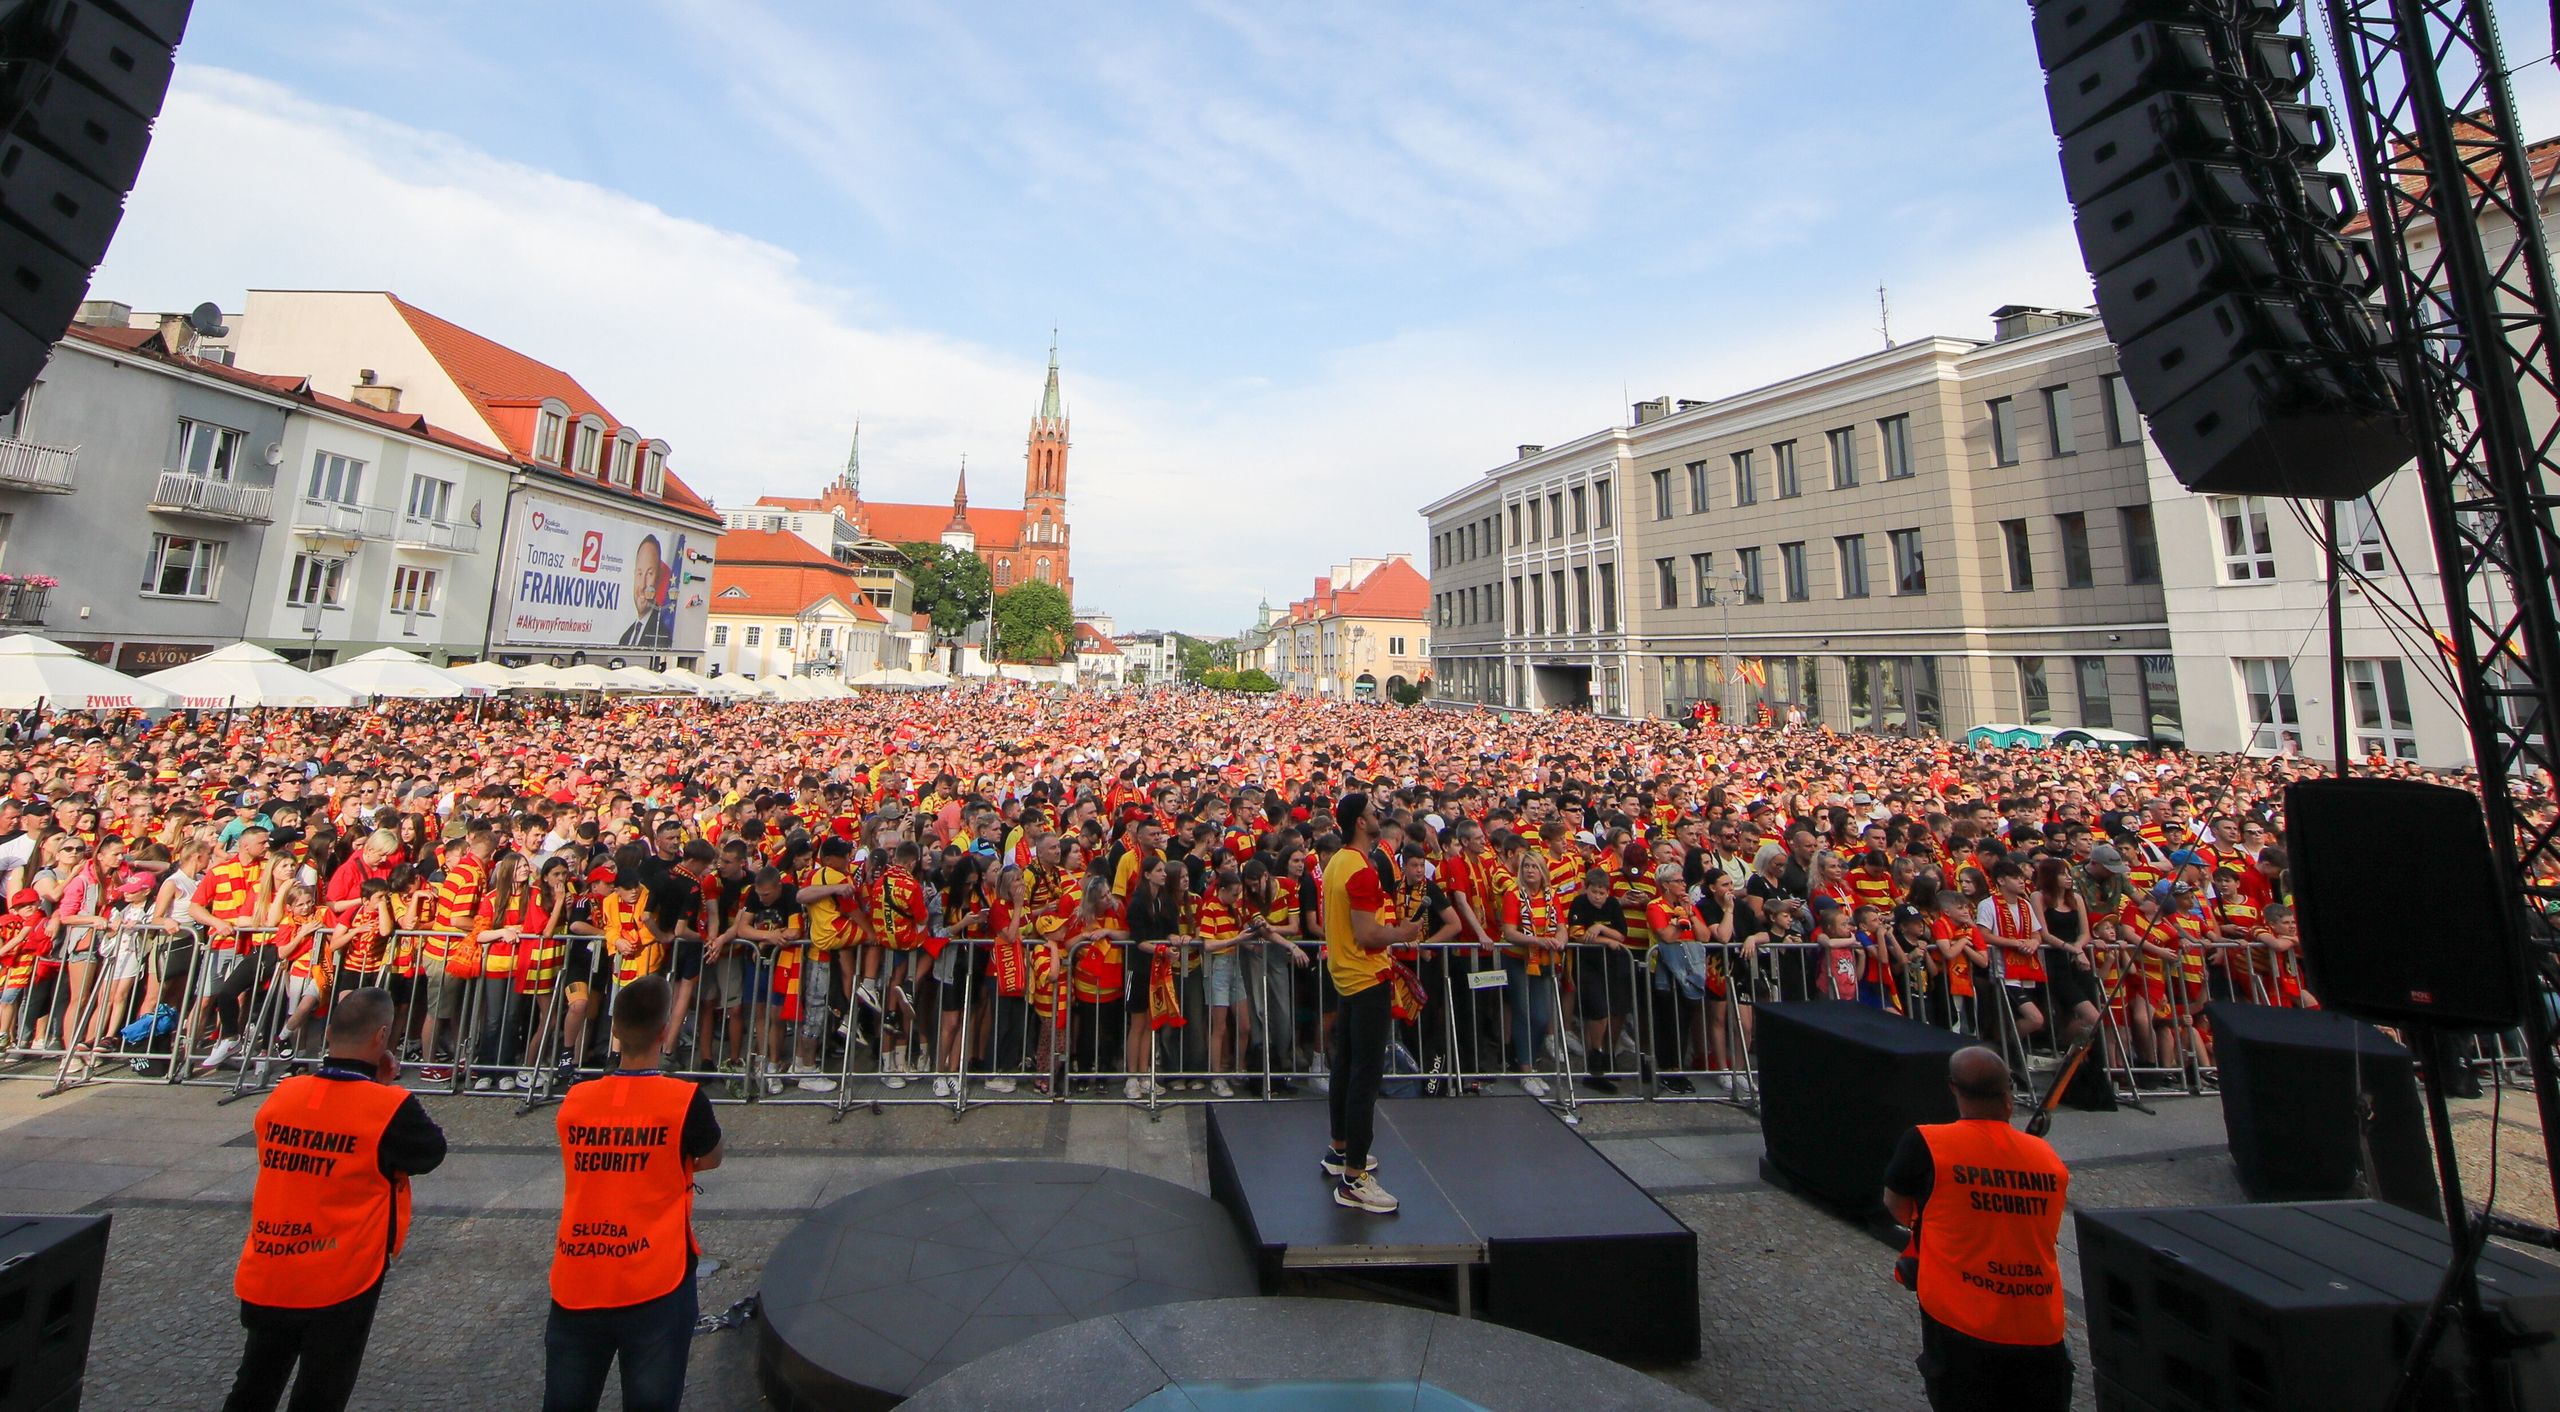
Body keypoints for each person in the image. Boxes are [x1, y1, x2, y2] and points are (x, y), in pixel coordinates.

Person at [225, 986, 448, 1412]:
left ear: (328, 1034)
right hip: (340, 1275)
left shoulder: (283, 1095)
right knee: (321, 1394)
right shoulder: (388, 1106)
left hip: (271, 1264)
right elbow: (429, 1152)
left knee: (254, 1385)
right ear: (382, 1038)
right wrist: (380, 1086)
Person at [544, 973, 722, 1412]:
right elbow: (711, 1155)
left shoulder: (577, 1102)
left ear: (616, 1033)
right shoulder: (683, 1100)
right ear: (663, 1032)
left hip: (579, 1272)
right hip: (655, 1274)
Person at [1883, 1046, 2074, 1412]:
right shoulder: (2047, 1159)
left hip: (1960, 1323)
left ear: (1954, 1089)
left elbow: (1896, 1205)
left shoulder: (1926, 1143)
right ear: (2009, 1095)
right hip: (2039, 1325)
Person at [1320, 791, 1418, 1214]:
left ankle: (1340, 1149)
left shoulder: (1336, 863)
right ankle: (1355, 1175)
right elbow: (1368, 934)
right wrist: (1406, 932)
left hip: (1346, 977)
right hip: (1366, 977)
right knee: (1365, 1075)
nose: (1380, 816)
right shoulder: (1360, 870)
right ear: (1361, 822)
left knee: (1346, 1067)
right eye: (1374, 812)